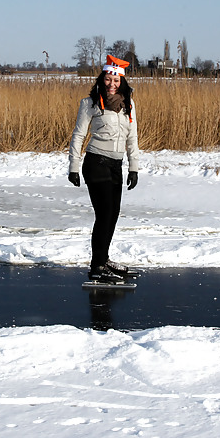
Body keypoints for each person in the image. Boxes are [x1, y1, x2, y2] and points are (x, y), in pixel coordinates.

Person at [68, 55, 140, 284]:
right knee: (104, 214)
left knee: (113, 215)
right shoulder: (89, 103)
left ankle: (104, 259)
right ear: (102, 79)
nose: (112, 84)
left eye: (116, 81)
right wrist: (73, 167)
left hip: (116, 165)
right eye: (109, 79)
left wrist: (134, 167)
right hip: (96, 162)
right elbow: (79, 135)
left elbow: (132, 138)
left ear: (122, 82)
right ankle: (96, 266)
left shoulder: (128, 105)